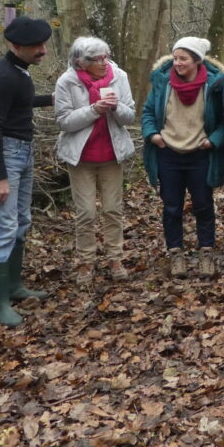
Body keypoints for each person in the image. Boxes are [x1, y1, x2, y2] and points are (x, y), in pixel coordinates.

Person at [0, 15, 54, 326]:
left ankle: (14, 287)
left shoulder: (20, 72)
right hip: (4, 157)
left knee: (21, 221)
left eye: (44, 44)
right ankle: (0, 305)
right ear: (16, 46)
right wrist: (0, 176)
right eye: (37, 46)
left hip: (23, 151)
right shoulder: (2, 78)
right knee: (2, 228)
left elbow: (19, 103)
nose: (43, 51)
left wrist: (50, 99)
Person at [141, 36, 224, 279]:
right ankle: (176, 252)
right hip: (168, 153)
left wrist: (214, 141)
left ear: (197, 61)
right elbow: (148, 112)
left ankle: (206, 251)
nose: (177, 63)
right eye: (175, 57)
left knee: (203, 204)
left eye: (183, 59)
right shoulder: (162, 81)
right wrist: (152, 135)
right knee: (171, 207)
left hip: (200, 154)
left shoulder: (215, 85)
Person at [54, 37, 136, 284]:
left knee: (112, 209)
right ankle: (86, 263)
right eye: (96, 59)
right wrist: (93, 110)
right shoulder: (66, 81)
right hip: (81, 158)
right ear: (80, 62)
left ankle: (115, 259)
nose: (103, 62)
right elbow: (64, 121)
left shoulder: (118, 76)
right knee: (86, 213)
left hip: (112, 154)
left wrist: (114, 108)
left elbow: (130, 115)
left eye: (106, 56)